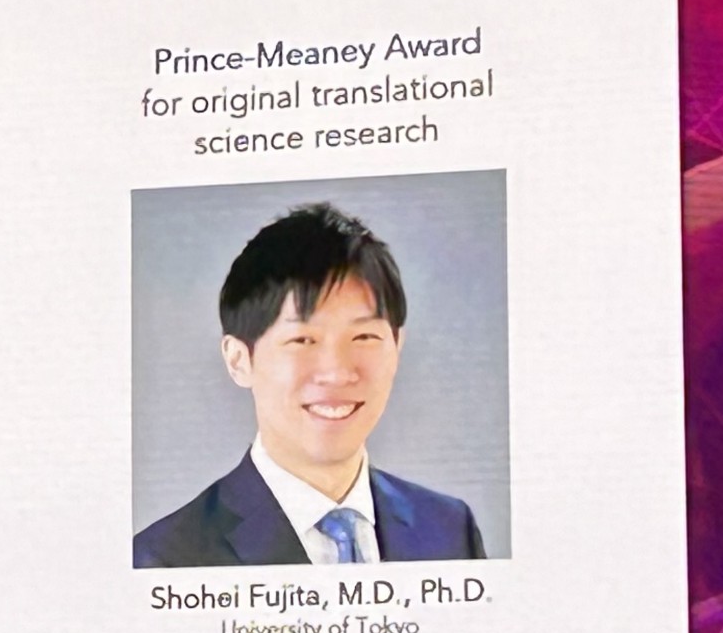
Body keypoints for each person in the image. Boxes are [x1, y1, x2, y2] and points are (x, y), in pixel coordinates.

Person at [134, 202, 484, 568]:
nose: (336, 372)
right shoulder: (164, 559)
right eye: (303, 340)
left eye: (364, 336)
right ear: (239, 360)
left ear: (396, 346)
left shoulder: (449, 529)